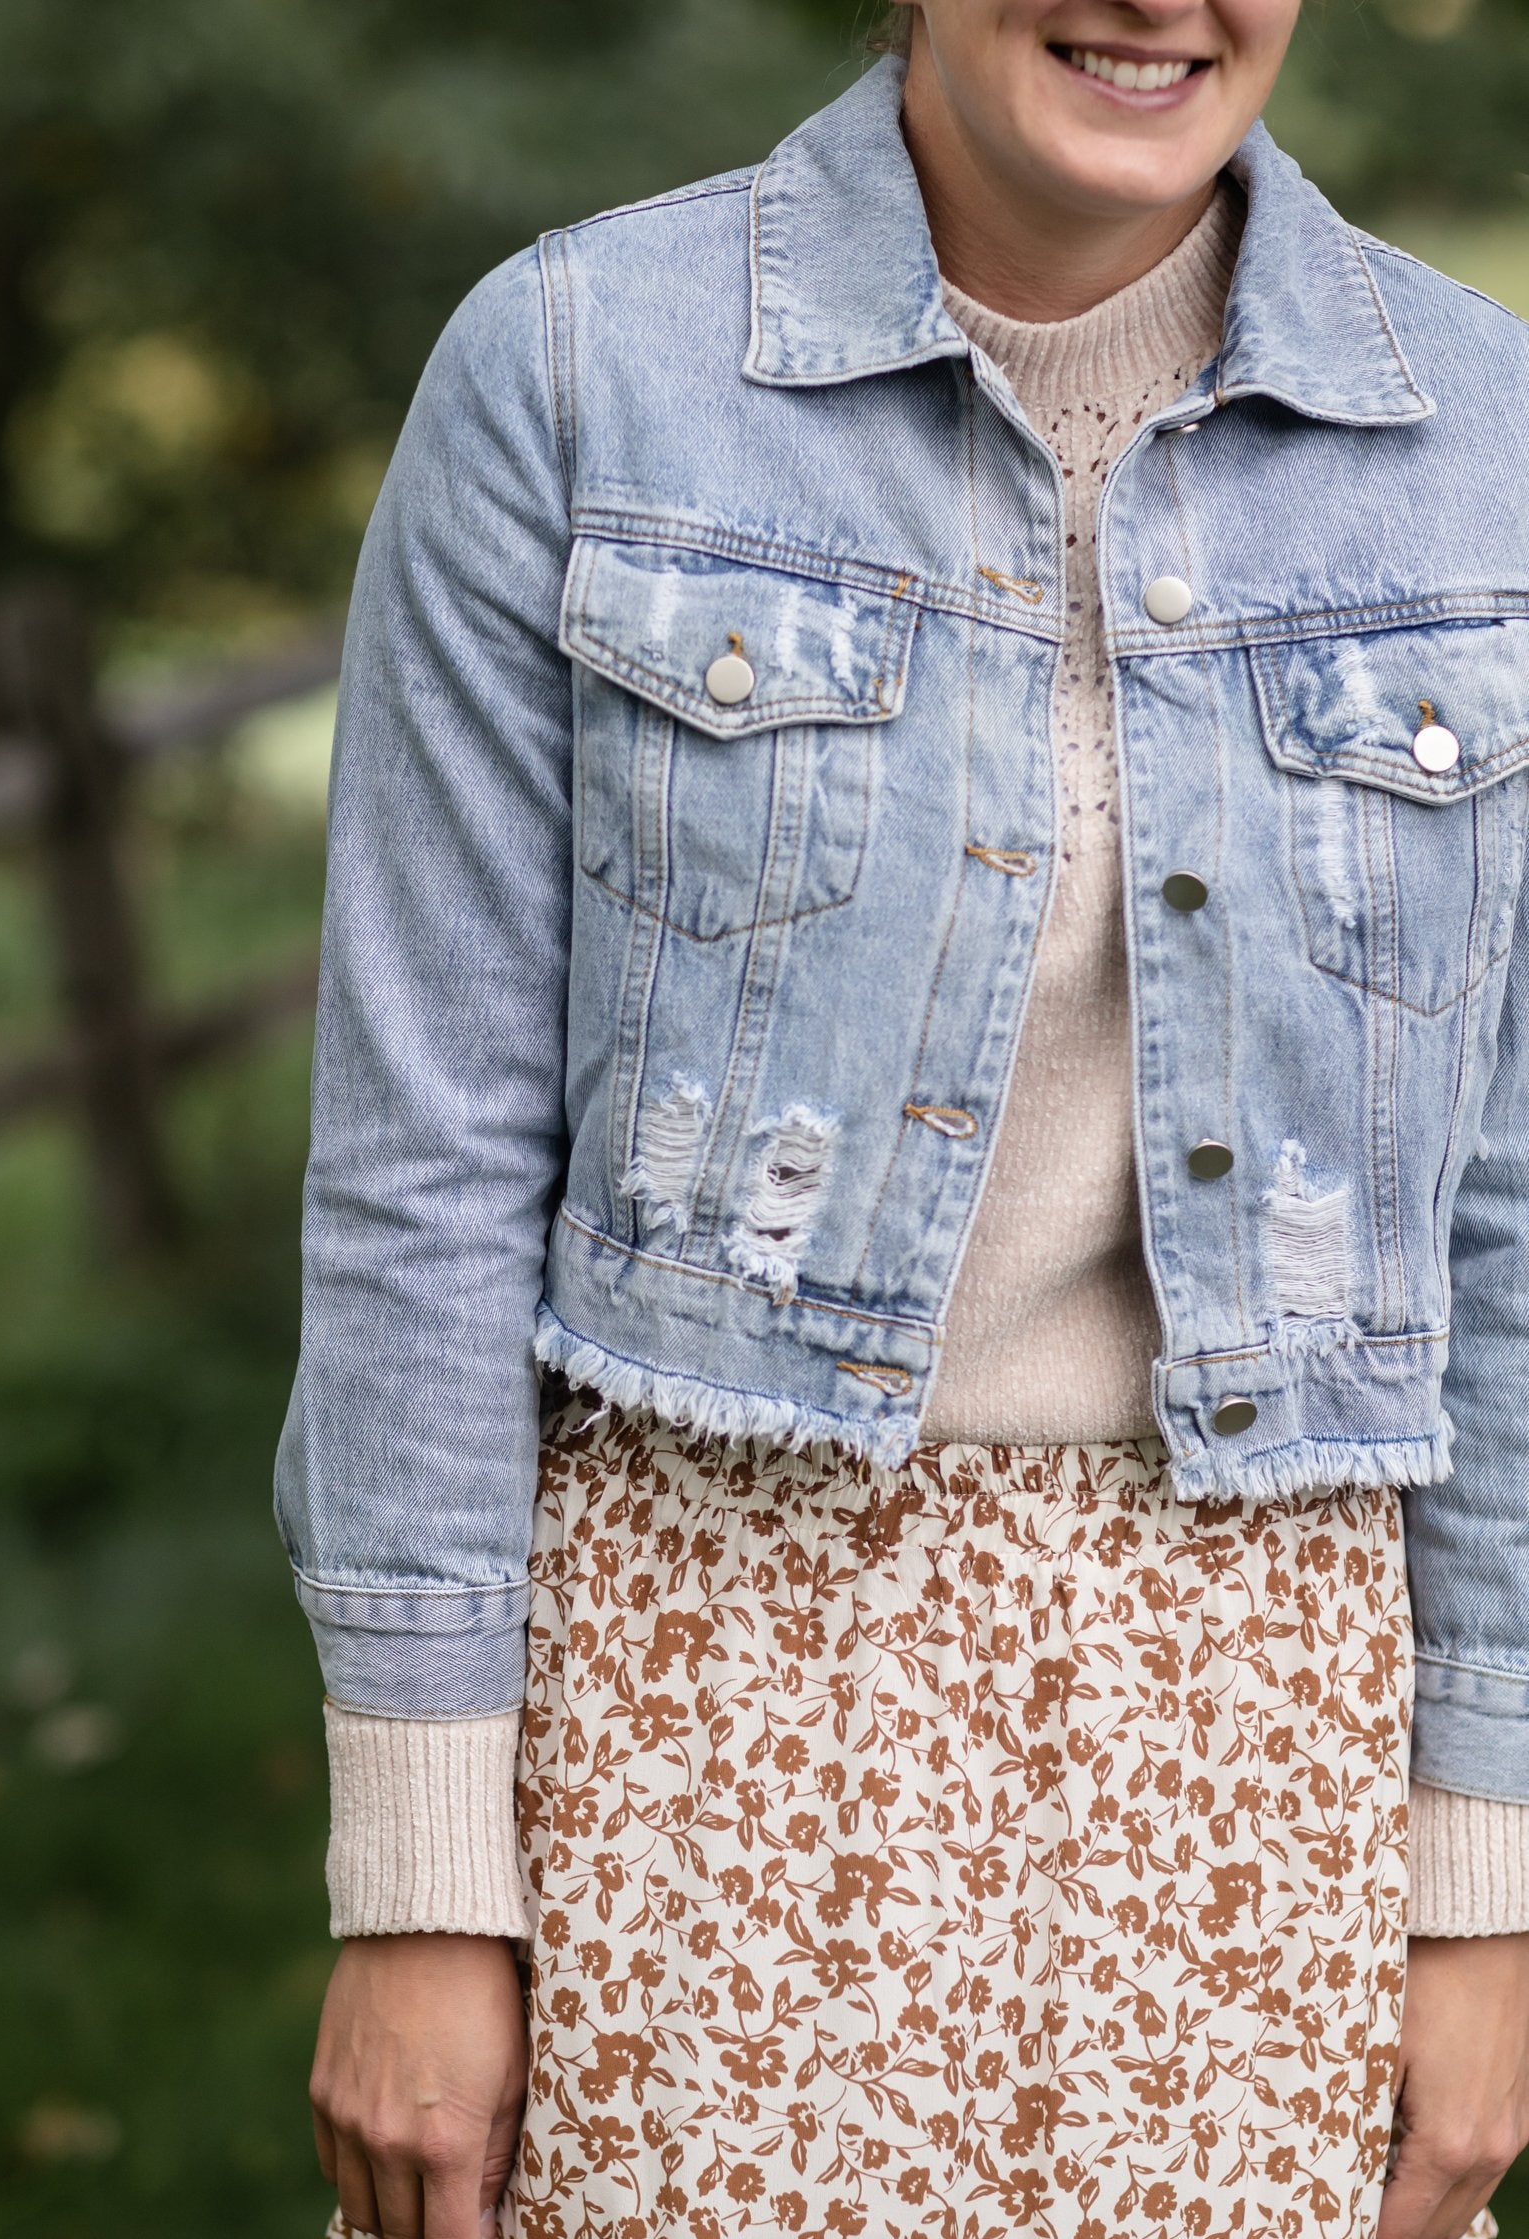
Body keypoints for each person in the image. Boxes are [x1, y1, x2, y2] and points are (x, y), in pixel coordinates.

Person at [273, 0, 1529, 2232]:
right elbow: (422, 1159)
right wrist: (423, 1878)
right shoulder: (576, 372)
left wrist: (1480, 1885)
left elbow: (1505, 1230)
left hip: (1258, 1735)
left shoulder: (1484, 442)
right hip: (686, 1703)